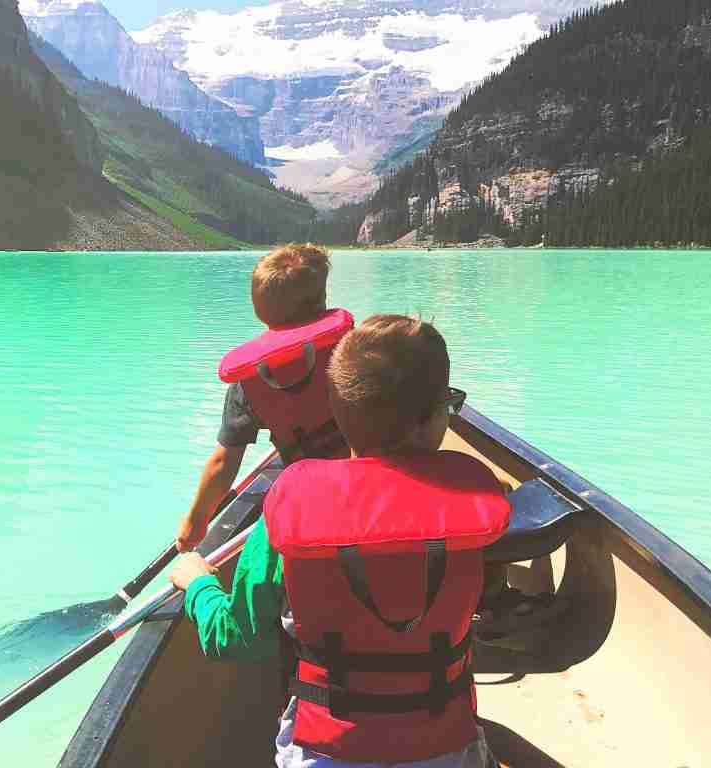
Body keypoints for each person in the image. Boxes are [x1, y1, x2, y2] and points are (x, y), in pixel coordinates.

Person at [170, 315, 511, 767]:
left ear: (338, 411)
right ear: (433, 417)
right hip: (444, 749)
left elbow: (238, 640)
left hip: (328, 750)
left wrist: (198, 584)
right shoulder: (478, 505)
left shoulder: (286, 515)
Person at [175, 244, 354, 553]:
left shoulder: (249, 381)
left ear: (260, 312)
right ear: (322, 300)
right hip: (364, 477)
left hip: (309, 491)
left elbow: (223, 462)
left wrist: (195, 523)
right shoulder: (353, 348)